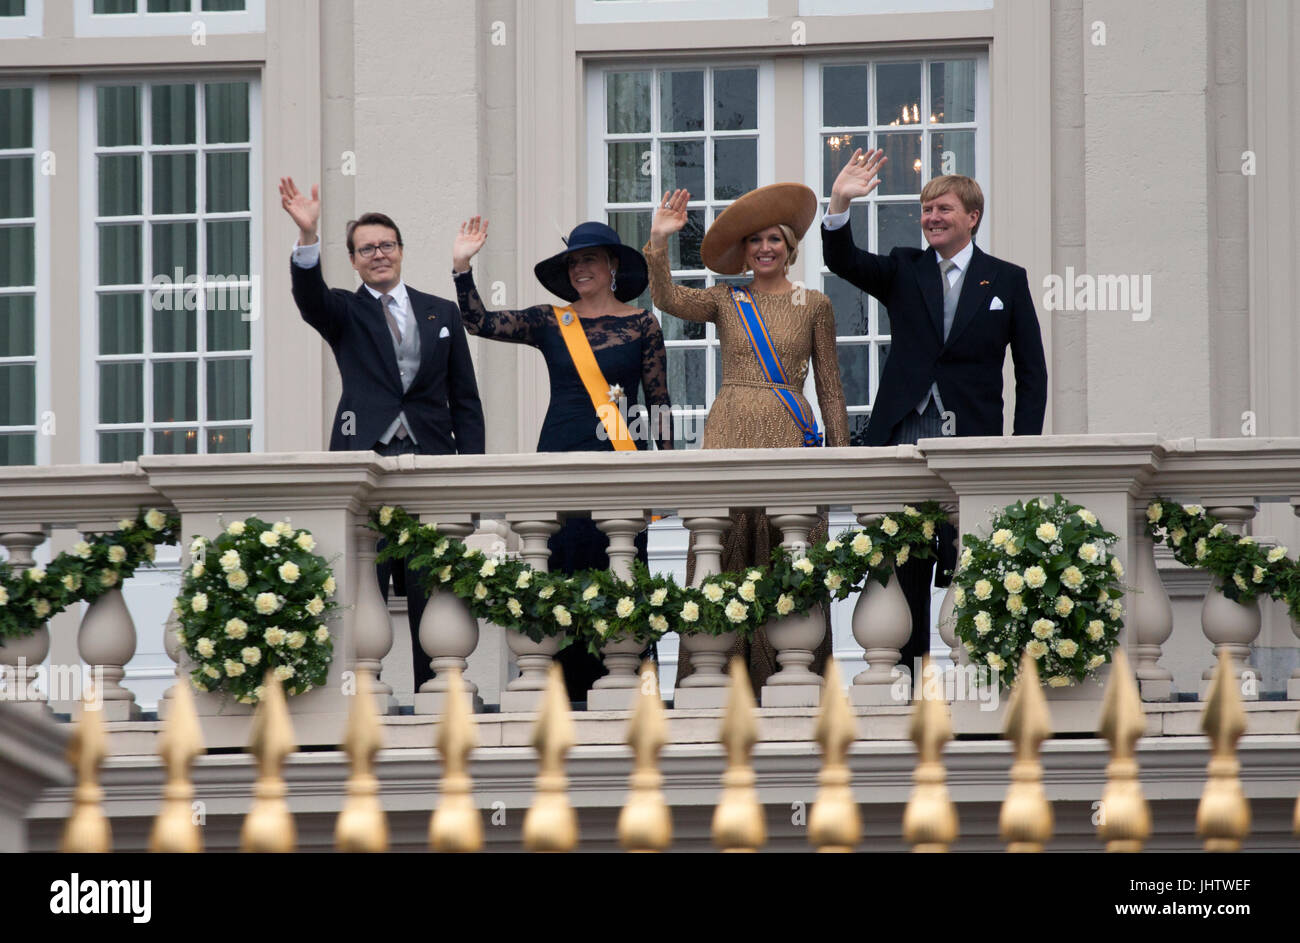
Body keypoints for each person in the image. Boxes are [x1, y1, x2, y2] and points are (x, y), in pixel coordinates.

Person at [820, 148, 1048, 680]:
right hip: (904, 432)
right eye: (926, 210)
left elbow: (1031, 373)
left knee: (973, 565)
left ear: (972, 217)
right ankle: (903, 681)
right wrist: (838, 203)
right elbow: (844, 261)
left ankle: (979, 683)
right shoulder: (904, 268)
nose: (932, 218)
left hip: (973, 438)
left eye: (944, 209)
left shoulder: (1006, 280)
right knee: (903, 566)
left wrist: (1022, 446)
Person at [278, 176, 485, 693]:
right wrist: (307, 237)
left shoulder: (442, 312)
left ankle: (433, 697)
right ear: (353, 260)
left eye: (385, 245)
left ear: (400, 251)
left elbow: (466, 401)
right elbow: (309, 298)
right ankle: (355, 699)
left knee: (431, 589)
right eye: (366, 248)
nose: (378, 254)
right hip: (364, 469)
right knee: (359, 588)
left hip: (431, 469)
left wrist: (471, 472)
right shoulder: (345, 311)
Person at [451, 217, 672, 700]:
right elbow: (478, 322)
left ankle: (629, 692)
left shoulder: (641, 323)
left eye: (589, 258)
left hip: (619, 463)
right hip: (559, 458)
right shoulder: (550, 320)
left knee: (621, 571)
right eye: (573, 262)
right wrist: (462, 266)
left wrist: (666, 471)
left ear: (612, 265)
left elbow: (659, 403)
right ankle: (565, 696)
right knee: (562, 575)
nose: (579, 269)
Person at [645, 184, 849, 693]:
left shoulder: (815, 304)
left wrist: (841, 459)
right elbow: (667, 299)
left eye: (774, 239)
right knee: (723, 549)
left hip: (789, 430)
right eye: (755, 240)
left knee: (789, 551)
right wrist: (658, 242)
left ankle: (791, 678)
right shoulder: (725, 298)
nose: (764, 248)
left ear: (789, 246)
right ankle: (719, 682)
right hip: (730, 427)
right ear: (744, 250)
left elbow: (830, 388)